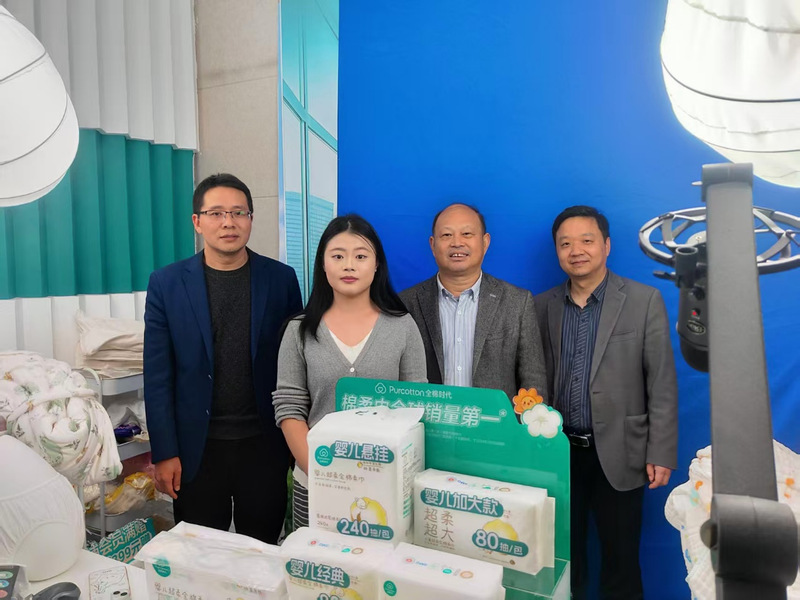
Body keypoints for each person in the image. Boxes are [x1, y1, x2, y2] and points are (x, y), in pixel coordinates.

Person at [144, 173, 302, 544]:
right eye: (216, 213)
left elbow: (295, 363)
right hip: (196, 450)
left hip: (264, 446)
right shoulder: (167, 284)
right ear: (197, 222)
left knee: (262, 549)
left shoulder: (280, 279)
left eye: (238, 212)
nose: (228, 222)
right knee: (200, 553)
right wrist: (164, 452)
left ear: (251, 219)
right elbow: (158, 375)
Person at [534, 205, 678, 600]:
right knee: (563, 559)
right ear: (557, 251)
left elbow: (662, 382)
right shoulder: (542, 305)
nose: (576, 250)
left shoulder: (643, 300)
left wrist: (661, 450)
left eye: (586, 240)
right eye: (565, 243)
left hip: (621, 451)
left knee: (621, 562)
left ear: (607, 245)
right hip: (559, 454)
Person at [273, 214, 427, 528]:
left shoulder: (403, 326)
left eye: (360, 256)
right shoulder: (299, 330)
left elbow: (417, 406)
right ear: (323, 264)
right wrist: (324, 473)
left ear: (376, 264)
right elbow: (289, 408)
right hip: (316, 482)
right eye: (338, 256)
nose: (349, 266)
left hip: (386, 487)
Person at [400, 203, 547, 402]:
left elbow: (533, 380)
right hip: (428, 419)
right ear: (433, 245)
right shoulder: (407, 303)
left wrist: (529, 420)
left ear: (485, 242)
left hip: (494, 422)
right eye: (447, 235)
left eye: (467, 234)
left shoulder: (517, 302)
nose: (457, 243)